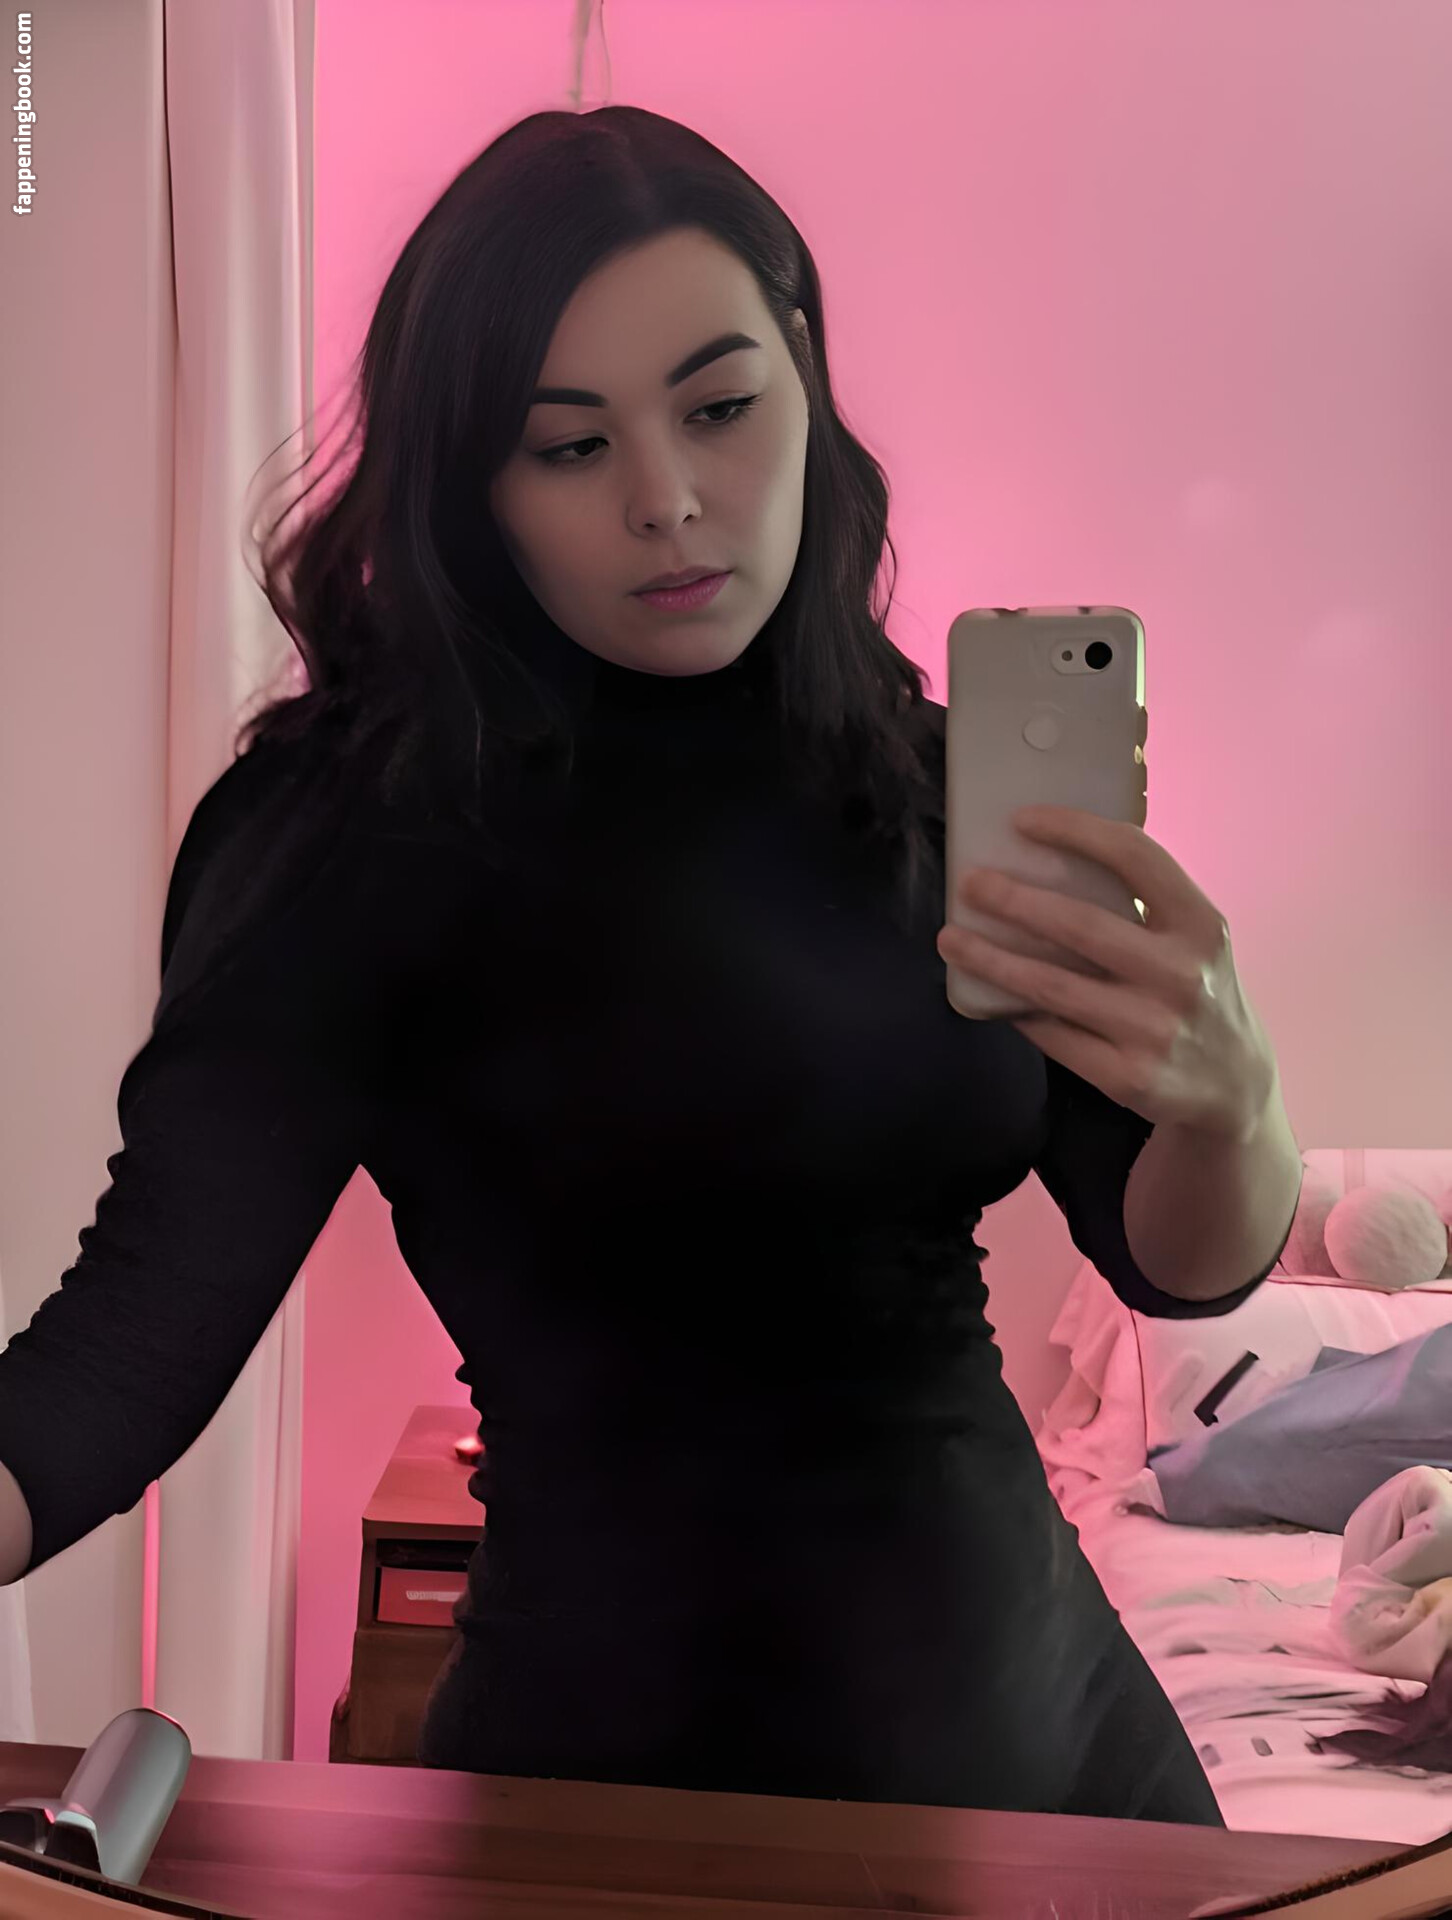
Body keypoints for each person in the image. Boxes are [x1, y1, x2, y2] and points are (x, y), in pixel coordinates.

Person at [0, 107, 1283, 1819]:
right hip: (608, 1797)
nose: (667, 500)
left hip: (1062, 1777)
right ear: (476, 485)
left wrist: (1232, 1106)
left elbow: (1176, 1268)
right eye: (569, 445)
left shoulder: (928, 782)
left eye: (721, 409)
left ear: (804, 377)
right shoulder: (346, 830)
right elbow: (132, 1339)